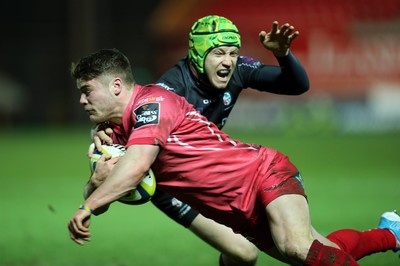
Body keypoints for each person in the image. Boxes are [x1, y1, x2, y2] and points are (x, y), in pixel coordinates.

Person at [68, 48, 400, 266]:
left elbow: (137, 166)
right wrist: (95, 183)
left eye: (87, 90)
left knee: (295, 247)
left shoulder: (152, 103)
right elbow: (110, 186)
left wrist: (89, 205)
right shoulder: (112, 133)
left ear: (115, 86)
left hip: (261, 175)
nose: (82, 101)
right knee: (322, 253)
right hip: (237, 213)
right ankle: (391, 234)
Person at [90, 15, 309, 265]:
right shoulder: (171, 88)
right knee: (245, 252)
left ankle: (364, 240)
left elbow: (298, 85)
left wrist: (283, 54)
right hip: (172, 185)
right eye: (218, 52)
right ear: (198, 52)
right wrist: (105, 128)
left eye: (233, 52)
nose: (227, 61)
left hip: (214, 176)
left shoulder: (237, 69)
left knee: (300, 245)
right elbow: (141, 122)